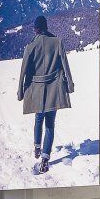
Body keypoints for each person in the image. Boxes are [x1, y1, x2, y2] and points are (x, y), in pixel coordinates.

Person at [16, 15, 74, 175]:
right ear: (46, 27)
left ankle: (37, 147)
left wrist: (20, 90)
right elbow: (65, 65)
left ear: (35, 29)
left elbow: (23, 71)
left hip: (36, 89)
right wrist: (69, 84)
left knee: (38, 119)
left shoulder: (30, 47)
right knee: (50, 123)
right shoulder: (57, 42)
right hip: (54, 89)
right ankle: (45, 159)